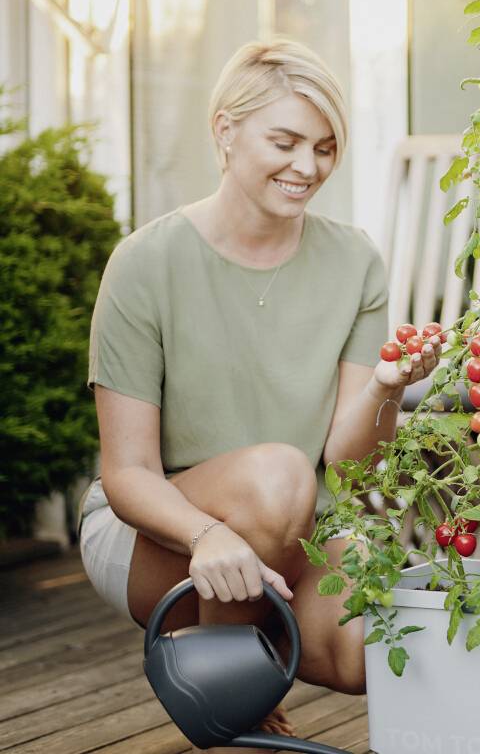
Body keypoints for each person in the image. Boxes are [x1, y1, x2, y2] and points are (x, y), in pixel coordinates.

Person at [78, 39, 437, 748]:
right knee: (276, 475)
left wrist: (388, 387)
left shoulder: (355, 260)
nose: (307, 166)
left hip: (298, 526)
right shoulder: (146, 262)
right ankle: (230, 688)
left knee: (367, 645)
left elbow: (352, 466)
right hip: (158, 532)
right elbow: (127, 474)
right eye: (285, 142)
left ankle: (240, 650)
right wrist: (208, 535)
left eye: (325, 148)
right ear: (225, 130)